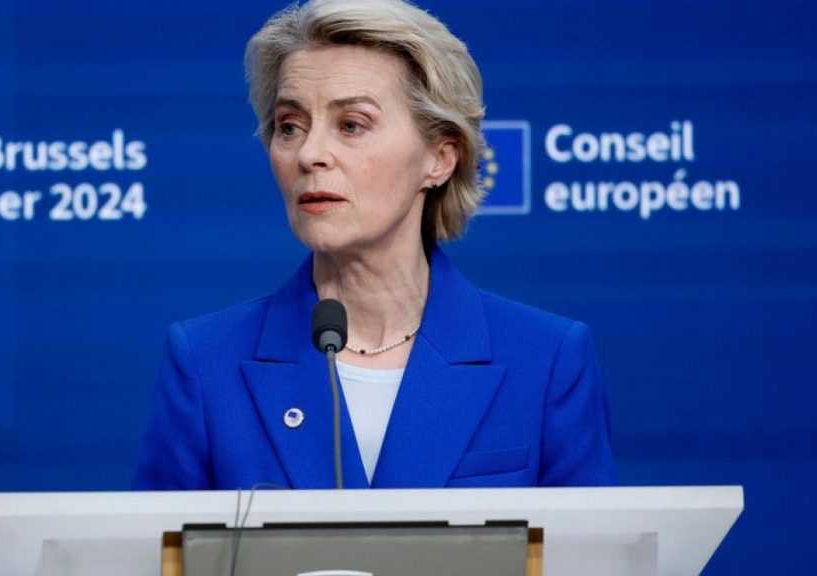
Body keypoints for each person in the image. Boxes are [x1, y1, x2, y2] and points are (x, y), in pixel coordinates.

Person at [133, 0, 615, 490]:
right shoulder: (206, 362)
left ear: (440, 158)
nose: (310, 154)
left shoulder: (546, 359)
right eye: (290, 126)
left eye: (352, 125)